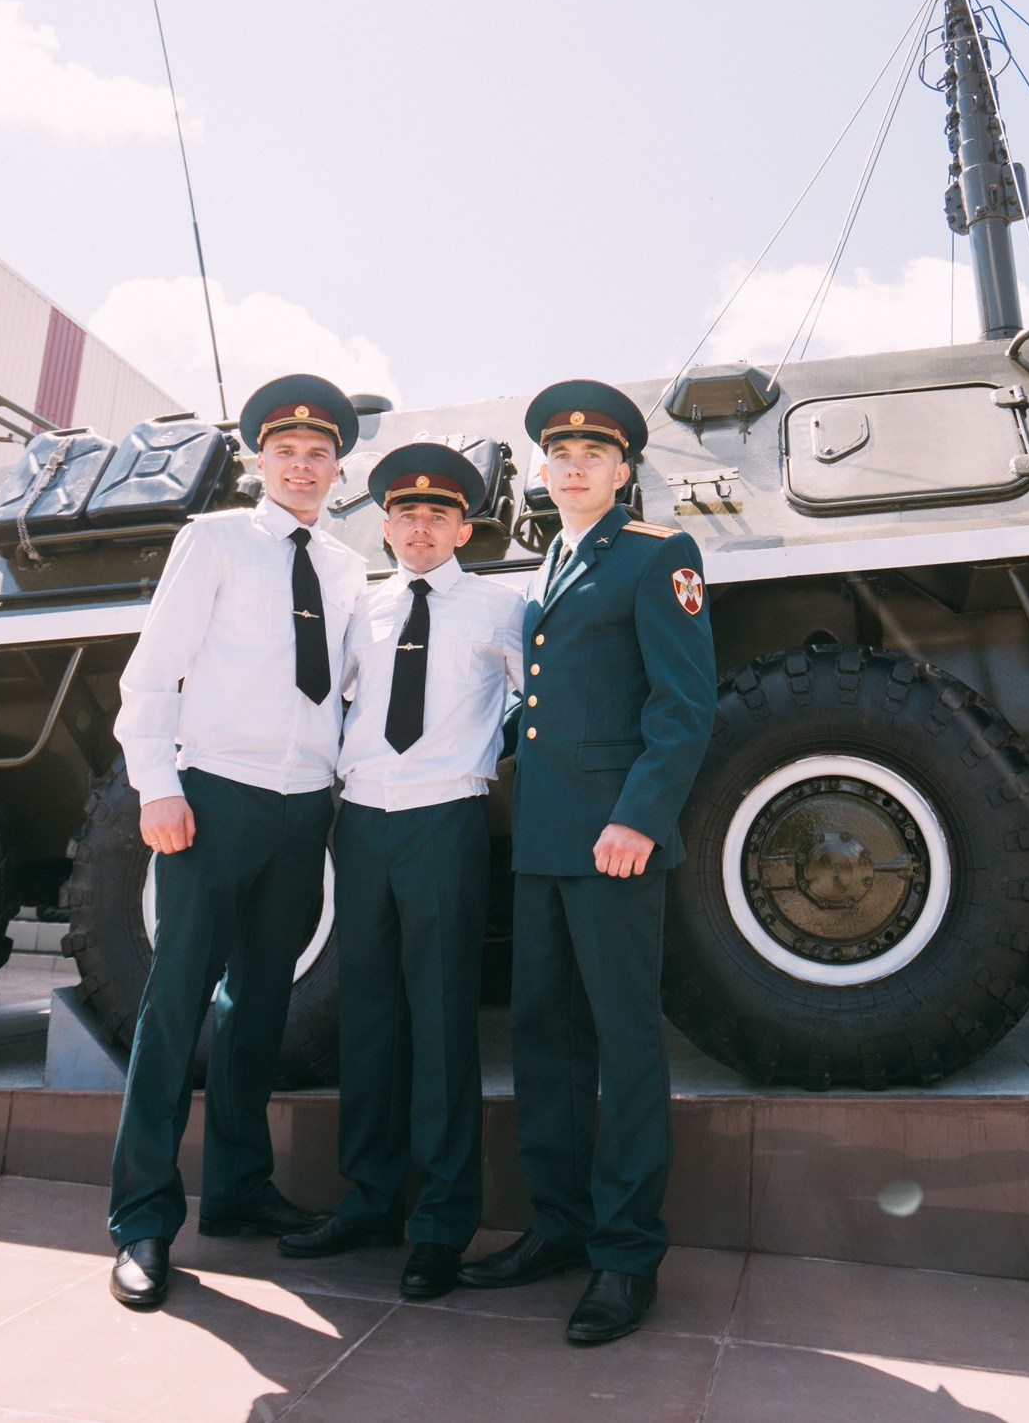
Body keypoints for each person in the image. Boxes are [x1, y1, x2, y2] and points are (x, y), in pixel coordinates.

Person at [458, 379, 715, 1347]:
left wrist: (638, 819)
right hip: (544, 843)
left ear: (623, 470)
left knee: (623, 1045)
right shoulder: (551, 561)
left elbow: (682, 706)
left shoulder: (658, 557)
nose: (572, 467)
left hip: (614, 843)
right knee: (544, 1042)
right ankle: (557, 1227)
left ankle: (624, 1254)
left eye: (592, 456)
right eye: (557, 455)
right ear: (540, 469)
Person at [105, 375, 369, 1312]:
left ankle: (240, 1189)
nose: (303, 467)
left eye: (320, 453)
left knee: (260, 1009)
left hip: (304, 810)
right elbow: (152, 675)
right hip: (214, 798)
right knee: (175, 1005)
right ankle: (141, 1219)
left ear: (341, 465)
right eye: (286, 452)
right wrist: (158, 787)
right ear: (262, 458)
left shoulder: (345, 567)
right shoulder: (212, 539)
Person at [276, 443, 523, 1301]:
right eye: (406, 515)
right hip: (366, 826)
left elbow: (538, 703)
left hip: (445, 821)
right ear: (385, 525)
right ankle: (371, 1197)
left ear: (465, 526)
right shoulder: (361, 612)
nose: (420, 528)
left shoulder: (502, 608)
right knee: (369, 1018)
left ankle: (443, 1222)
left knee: (444, 1020)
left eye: (438, 515)